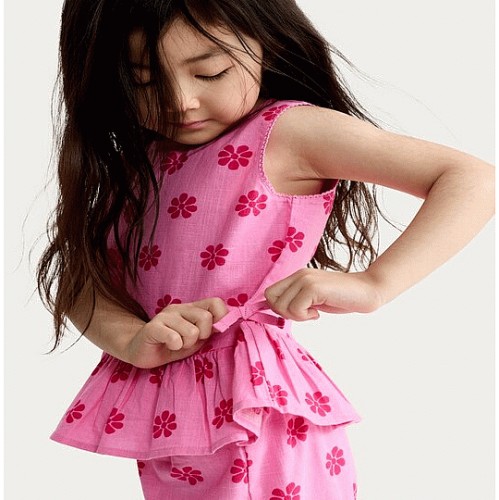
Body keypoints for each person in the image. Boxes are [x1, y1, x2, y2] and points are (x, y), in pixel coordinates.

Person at [37, 0, 494, 499]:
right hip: (175, 425)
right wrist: (131, 339)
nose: (180, 101)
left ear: (266, 44)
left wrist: (374, 283)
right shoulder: (138, 164)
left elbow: (470, 178)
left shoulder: (287, 133)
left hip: (257, 413)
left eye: (210, 72)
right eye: (143, 81)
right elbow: (80, 281)